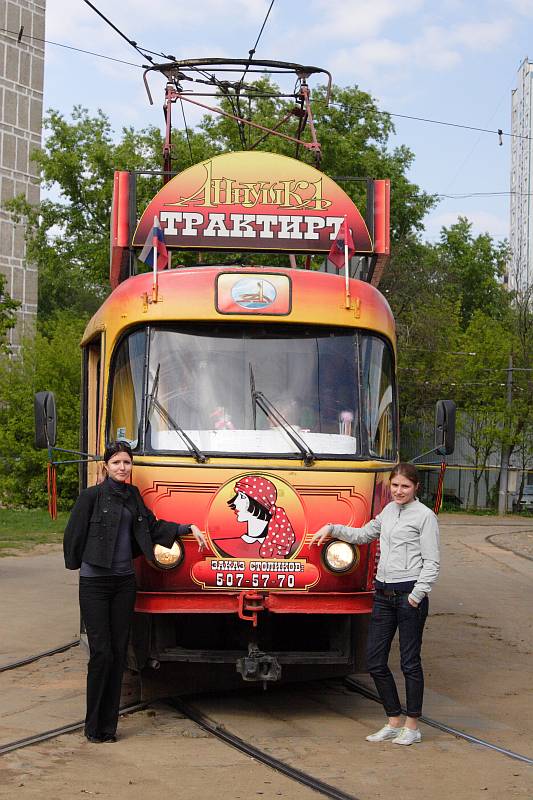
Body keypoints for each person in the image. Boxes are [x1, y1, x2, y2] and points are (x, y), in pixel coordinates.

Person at [63, 440, 206, 743]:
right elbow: (73, 534)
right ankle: (93, 726)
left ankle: (108, 728)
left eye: (126, 462)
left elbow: (151, 527)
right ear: (106, 466)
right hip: (95, 585)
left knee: (117, 653)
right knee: (100, 654)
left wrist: (186, 527)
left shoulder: (133, 497)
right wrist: (77, 563)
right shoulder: (91, 497)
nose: (122, 468)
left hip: (124, 583)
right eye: (116, 462)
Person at [311, 463, 439, 746]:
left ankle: (412, 725)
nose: (399, 491)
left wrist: (416, 596)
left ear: (416, 487)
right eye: (395, 485)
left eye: (405, 486)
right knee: (375, 661)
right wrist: (331, 528)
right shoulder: (388, 512)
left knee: (409, 663)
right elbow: (363, 535)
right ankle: (393, 720)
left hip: (409, 597)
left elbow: (432, 562)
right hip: (382, 595)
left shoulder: (425, 517)